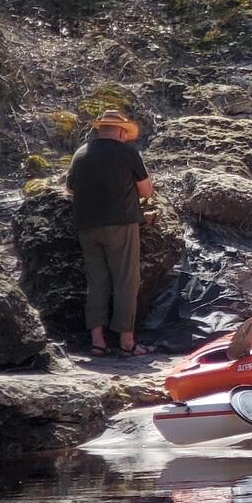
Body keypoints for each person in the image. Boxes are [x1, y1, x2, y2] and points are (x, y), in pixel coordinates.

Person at [64, 110, 155, 357]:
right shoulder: (127, 153)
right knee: (126, 280)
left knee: (96, 283)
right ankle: (127, 341)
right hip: (121, 224)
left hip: (87, 226)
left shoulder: (80, 154)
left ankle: (98, 342)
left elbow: (70, 189)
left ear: (100, 129)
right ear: (122, 131)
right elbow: (147, 191)